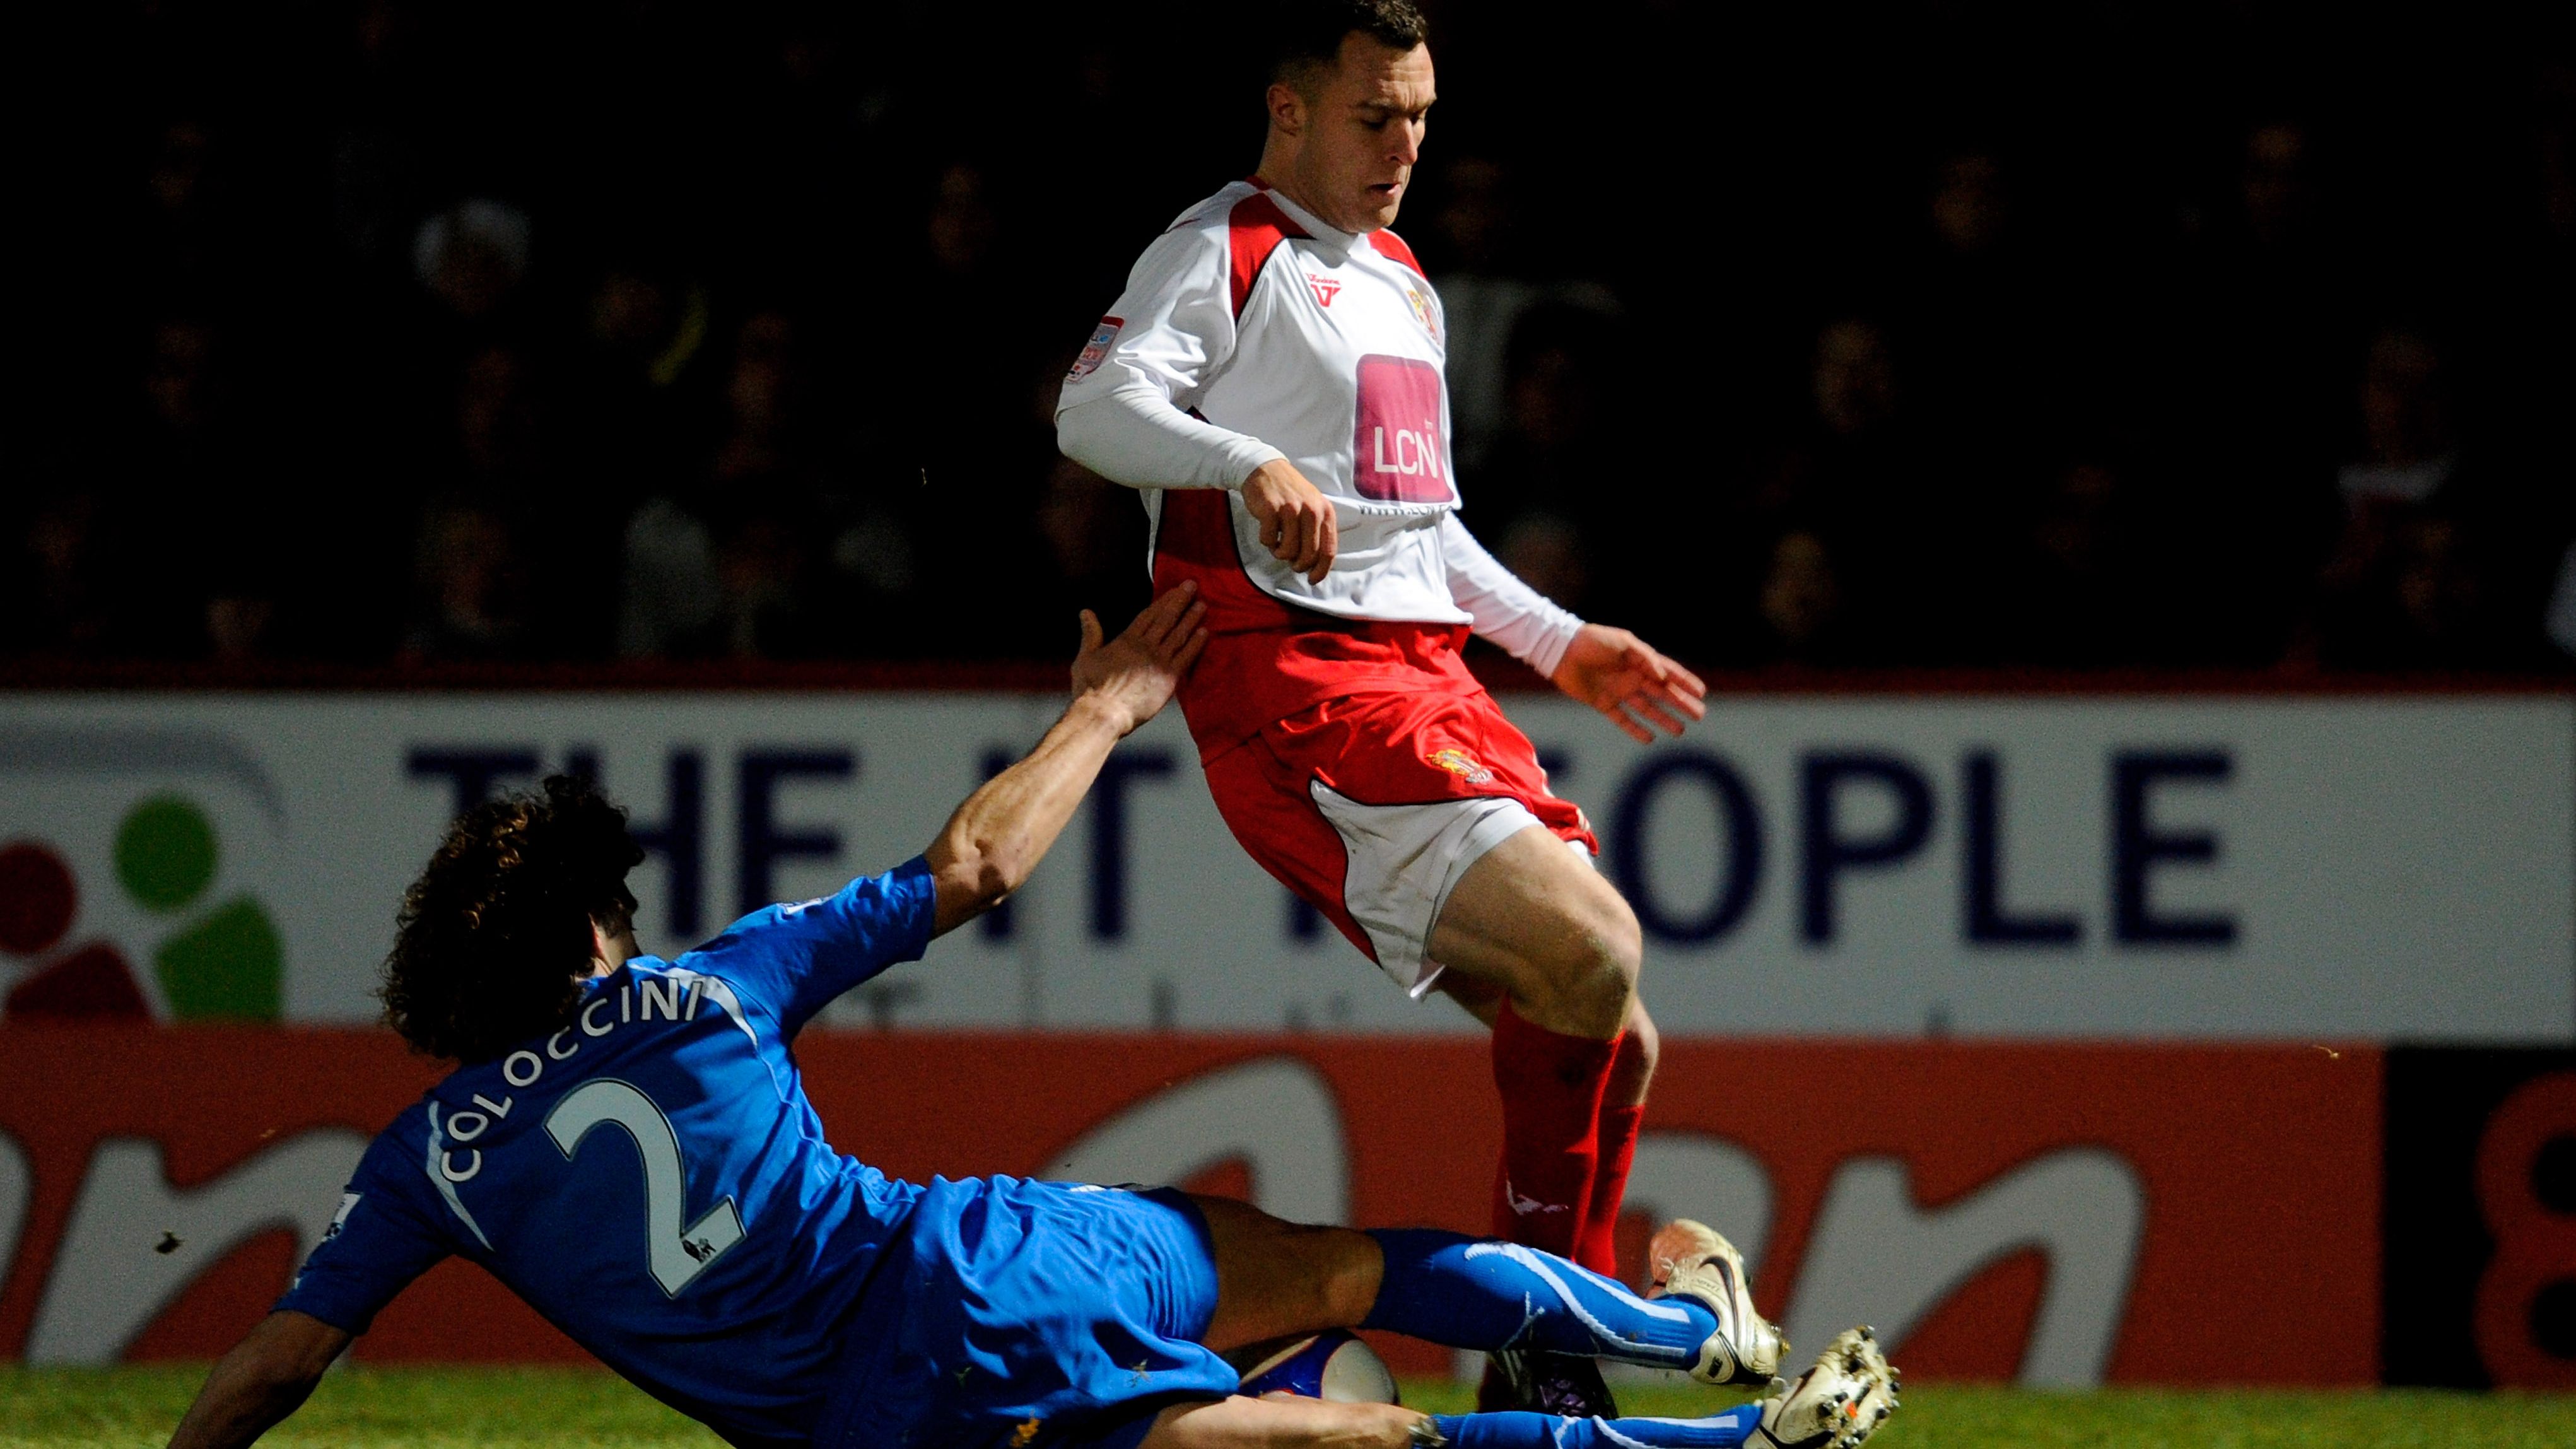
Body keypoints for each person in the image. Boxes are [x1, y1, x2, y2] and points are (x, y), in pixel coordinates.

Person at [164, 587, 1897, 1449]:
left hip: (899, 1434)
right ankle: (1696, 1342)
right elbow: (976, 866)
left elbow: (278, 1362)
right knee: (1347, 1267)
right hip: (981, 1261)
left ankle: (1730, 1435)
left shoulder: (431, 1160)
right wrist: (1106, 709)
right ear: (593, 933)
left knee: (1375, 1442)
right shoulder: (701, 986)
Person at [1053, 2, 1715, 1413]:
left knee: (1612, 1029)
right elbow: (1091, 410)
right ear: (1287, 110)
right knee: (1594, 949)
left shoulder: (1400, 277)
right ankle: (1552, 1360)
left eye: (1420, 116)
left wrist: (1556, 639)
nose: (1404, 146)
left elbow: (1417, 529)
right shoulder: (1221, 248)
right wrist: (1243, 463)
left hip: (1424, 676)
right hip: (1293, 685)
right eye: (1374, 116)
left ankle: (1546, 1365)